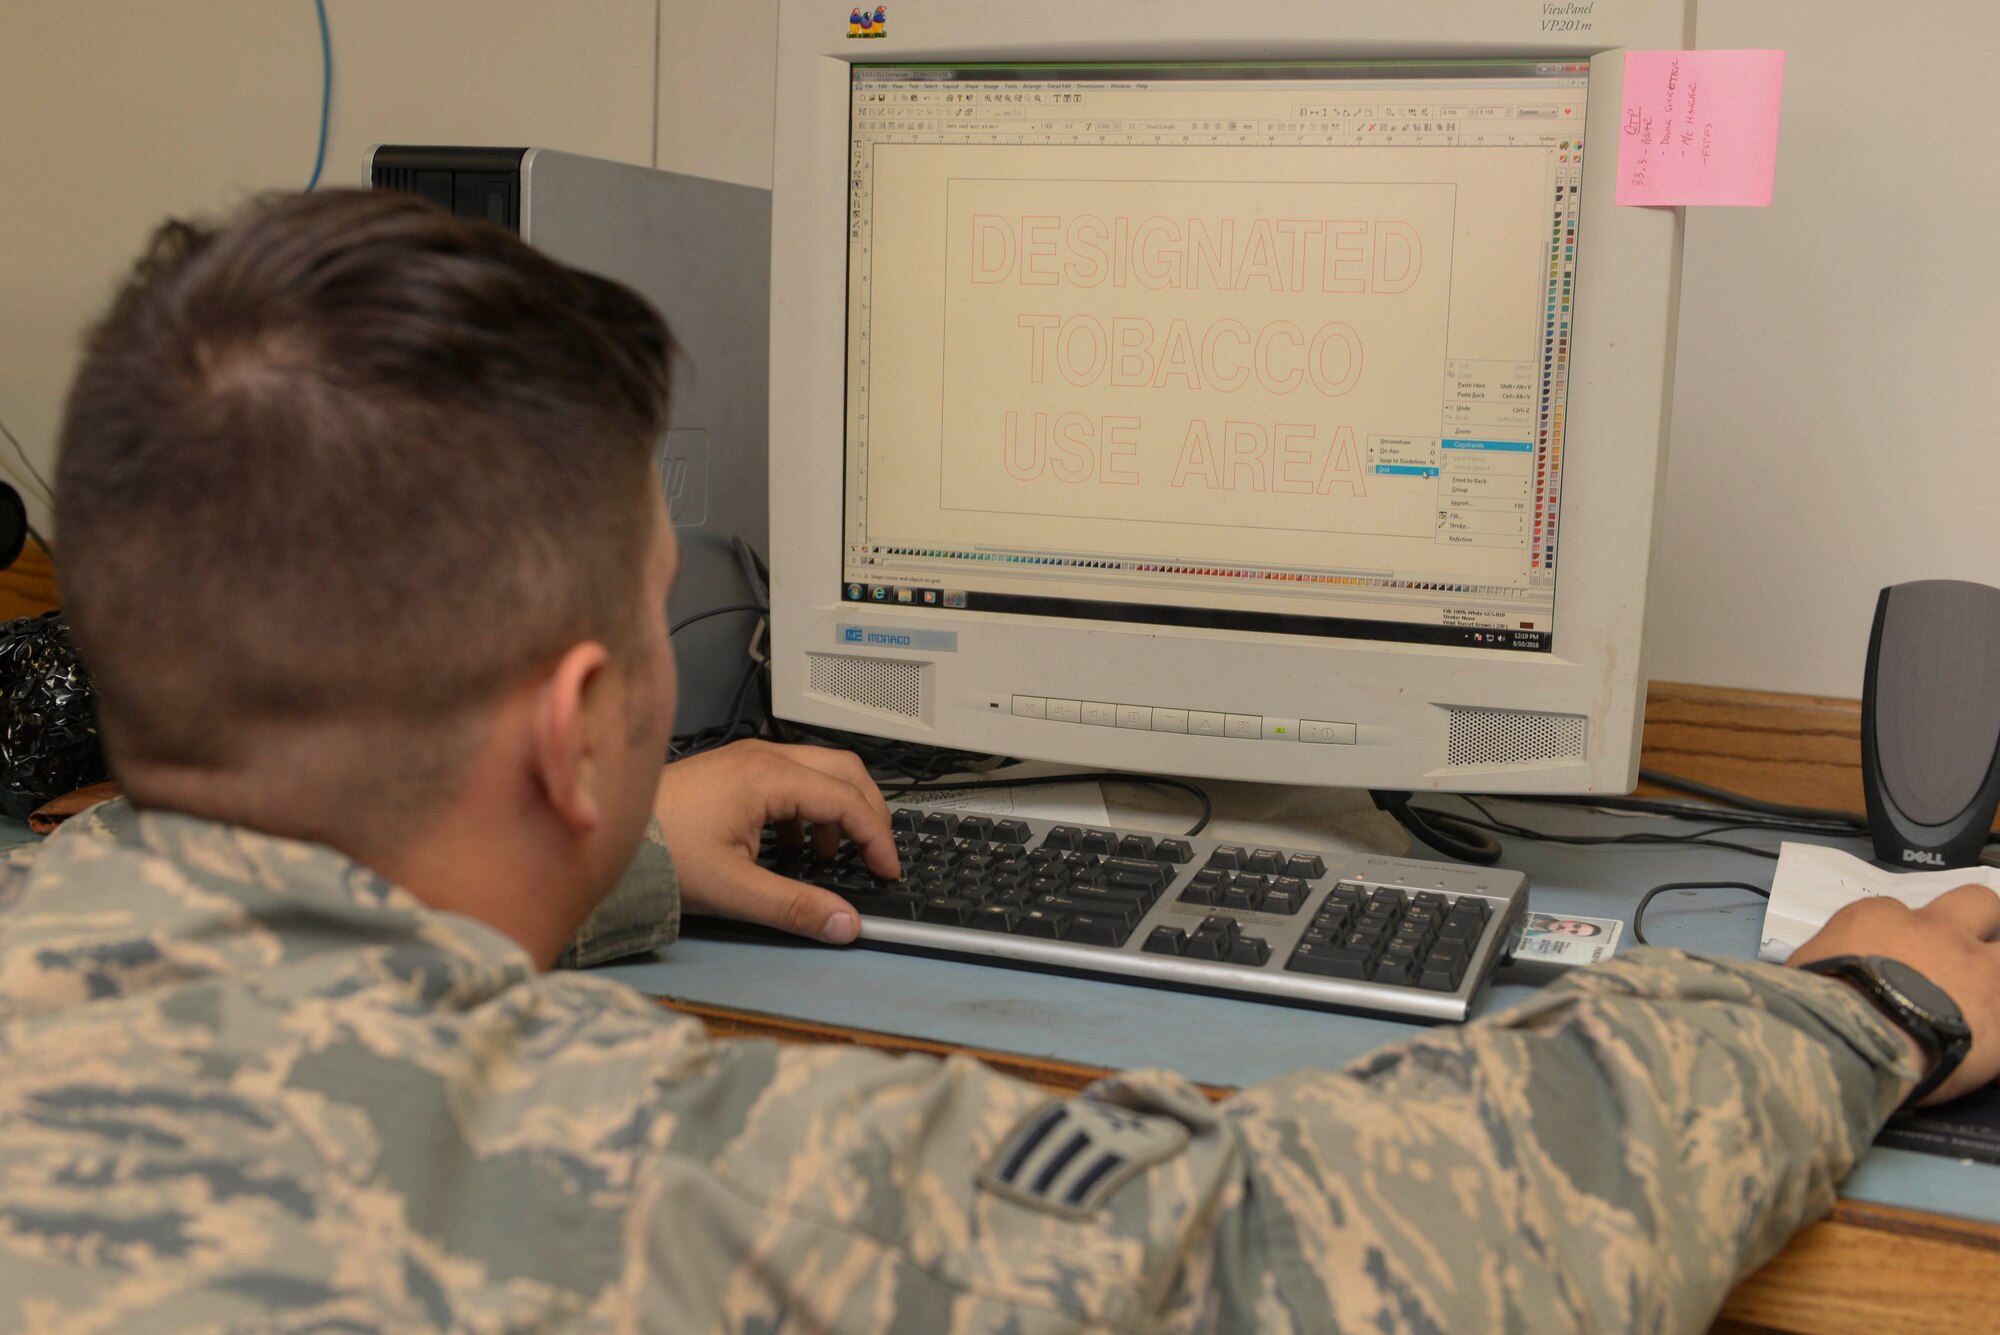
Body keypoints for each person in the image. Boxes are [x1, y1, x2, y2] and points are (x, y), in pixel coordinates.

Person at [0, 189, 1993, 1334]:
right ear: (571, 724)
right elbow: (1318, 1252)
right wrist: (1864, 1003)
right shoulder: (654, 1189)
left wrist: (612, 857)